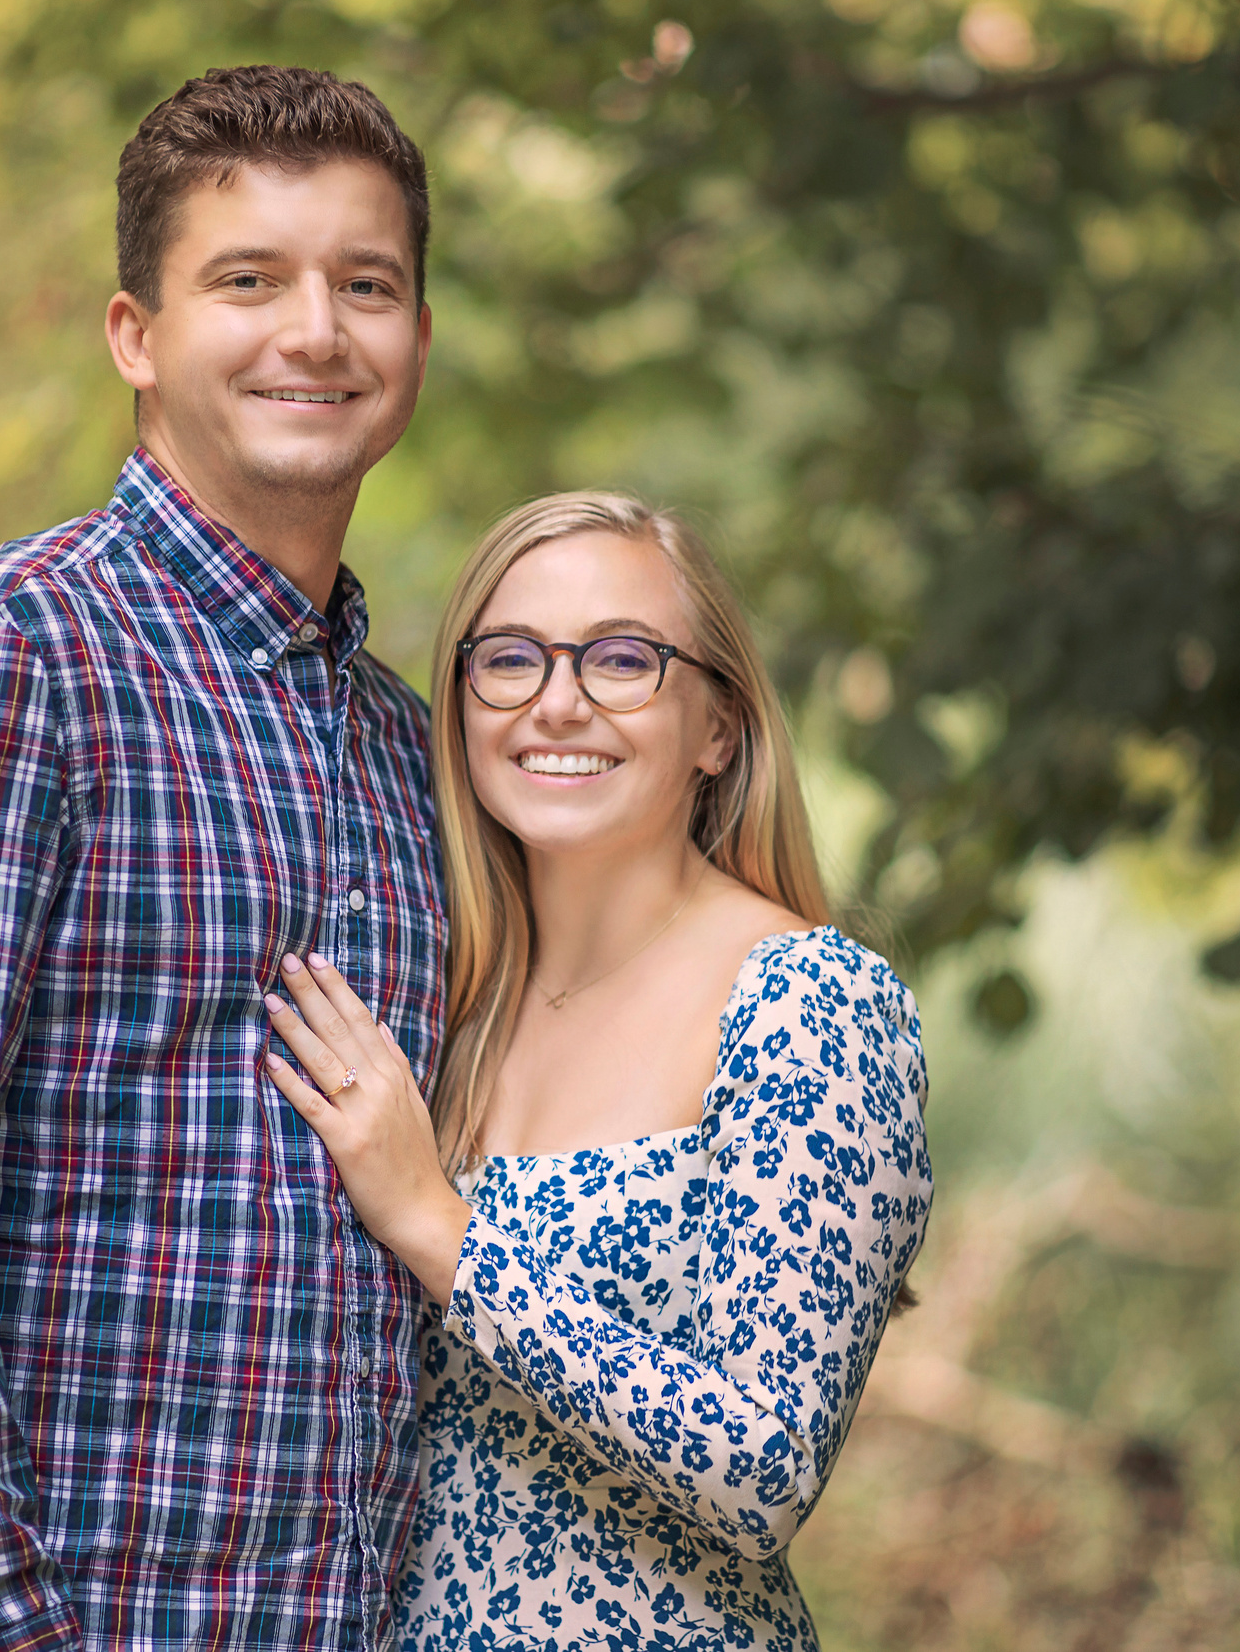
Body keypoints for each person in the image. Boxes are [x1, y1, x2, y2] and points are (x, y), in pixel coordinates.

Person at [0, 67, 443, 1652]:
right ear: (135, 334)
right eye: (248, 280)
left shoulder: (407, 753)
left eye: (366, 285)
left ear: (419, 337)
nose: (316, 331)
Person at [261, 492, 934, 1650]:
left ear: (718, 726)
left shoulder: (804, 1003)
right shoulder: (447, 999)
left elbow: (763, 1468)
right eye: (508, 659)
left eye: (622, 659)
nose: (557, 702)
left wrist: (437, 1228)